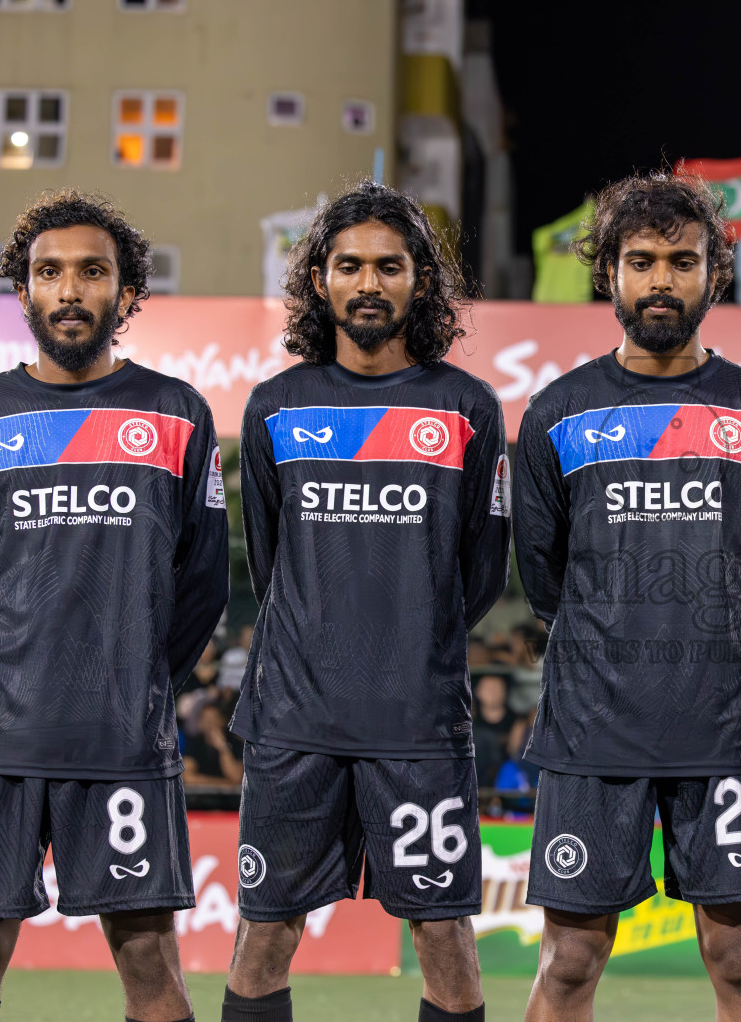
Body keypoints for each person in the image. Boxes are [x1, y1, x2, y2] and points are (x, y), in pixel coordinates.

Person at [0, 190, 227, 1022]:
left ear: (126, 294)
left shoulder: (175, 412)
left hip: (122, 740)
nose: (68, 290)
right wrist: (14, 673)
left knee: (150, 968)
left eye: (92, 272)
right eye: (48, 272)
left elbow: (203, 584)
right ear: (22, 293)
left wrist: (132, 678)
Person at [513, 170, 741, 1022]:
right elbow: (543, 573)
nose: (662, 281)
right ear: (608, 273)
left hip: (719, 730)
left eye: (683, 261)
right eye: (641, 261)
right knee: (569, 961)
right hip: (591, 730)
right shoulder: (557, 413)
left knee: (739, 960)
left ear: (717, 273)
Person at [224, 181, 509, 1022]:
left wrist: (407, 643)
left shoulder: (466, 407)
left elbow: (480, 574)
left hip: (418, 726)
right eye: (349, 265)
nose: (369, 283)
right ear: (321, 280)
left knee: (447, 949)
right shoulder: (277, 407)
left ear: (421, 280)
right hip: (293, 724)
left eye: (390, 266)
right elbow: (274, 563)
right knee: (264, 939)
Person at [181, 702, 243, 790]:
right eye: (205, 719)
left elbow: (236, 778)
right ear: (199, 723)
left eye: (214, 718)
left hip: (231, 801)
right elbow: (187, 778)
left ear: (223, 721)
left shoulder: (236, 744)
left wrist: (223, 748)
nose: (209, 724)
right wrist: (223, 784)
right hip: (200, 799)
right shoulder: (194, 743)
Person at [470, 674, 516, 789]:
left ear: (505, 691)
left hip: (510, 781)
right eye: (488, 688)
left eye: (497, 688)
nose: (493, 692)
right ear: (477, 691)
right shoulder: (472, 723)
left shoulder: (517, 721)